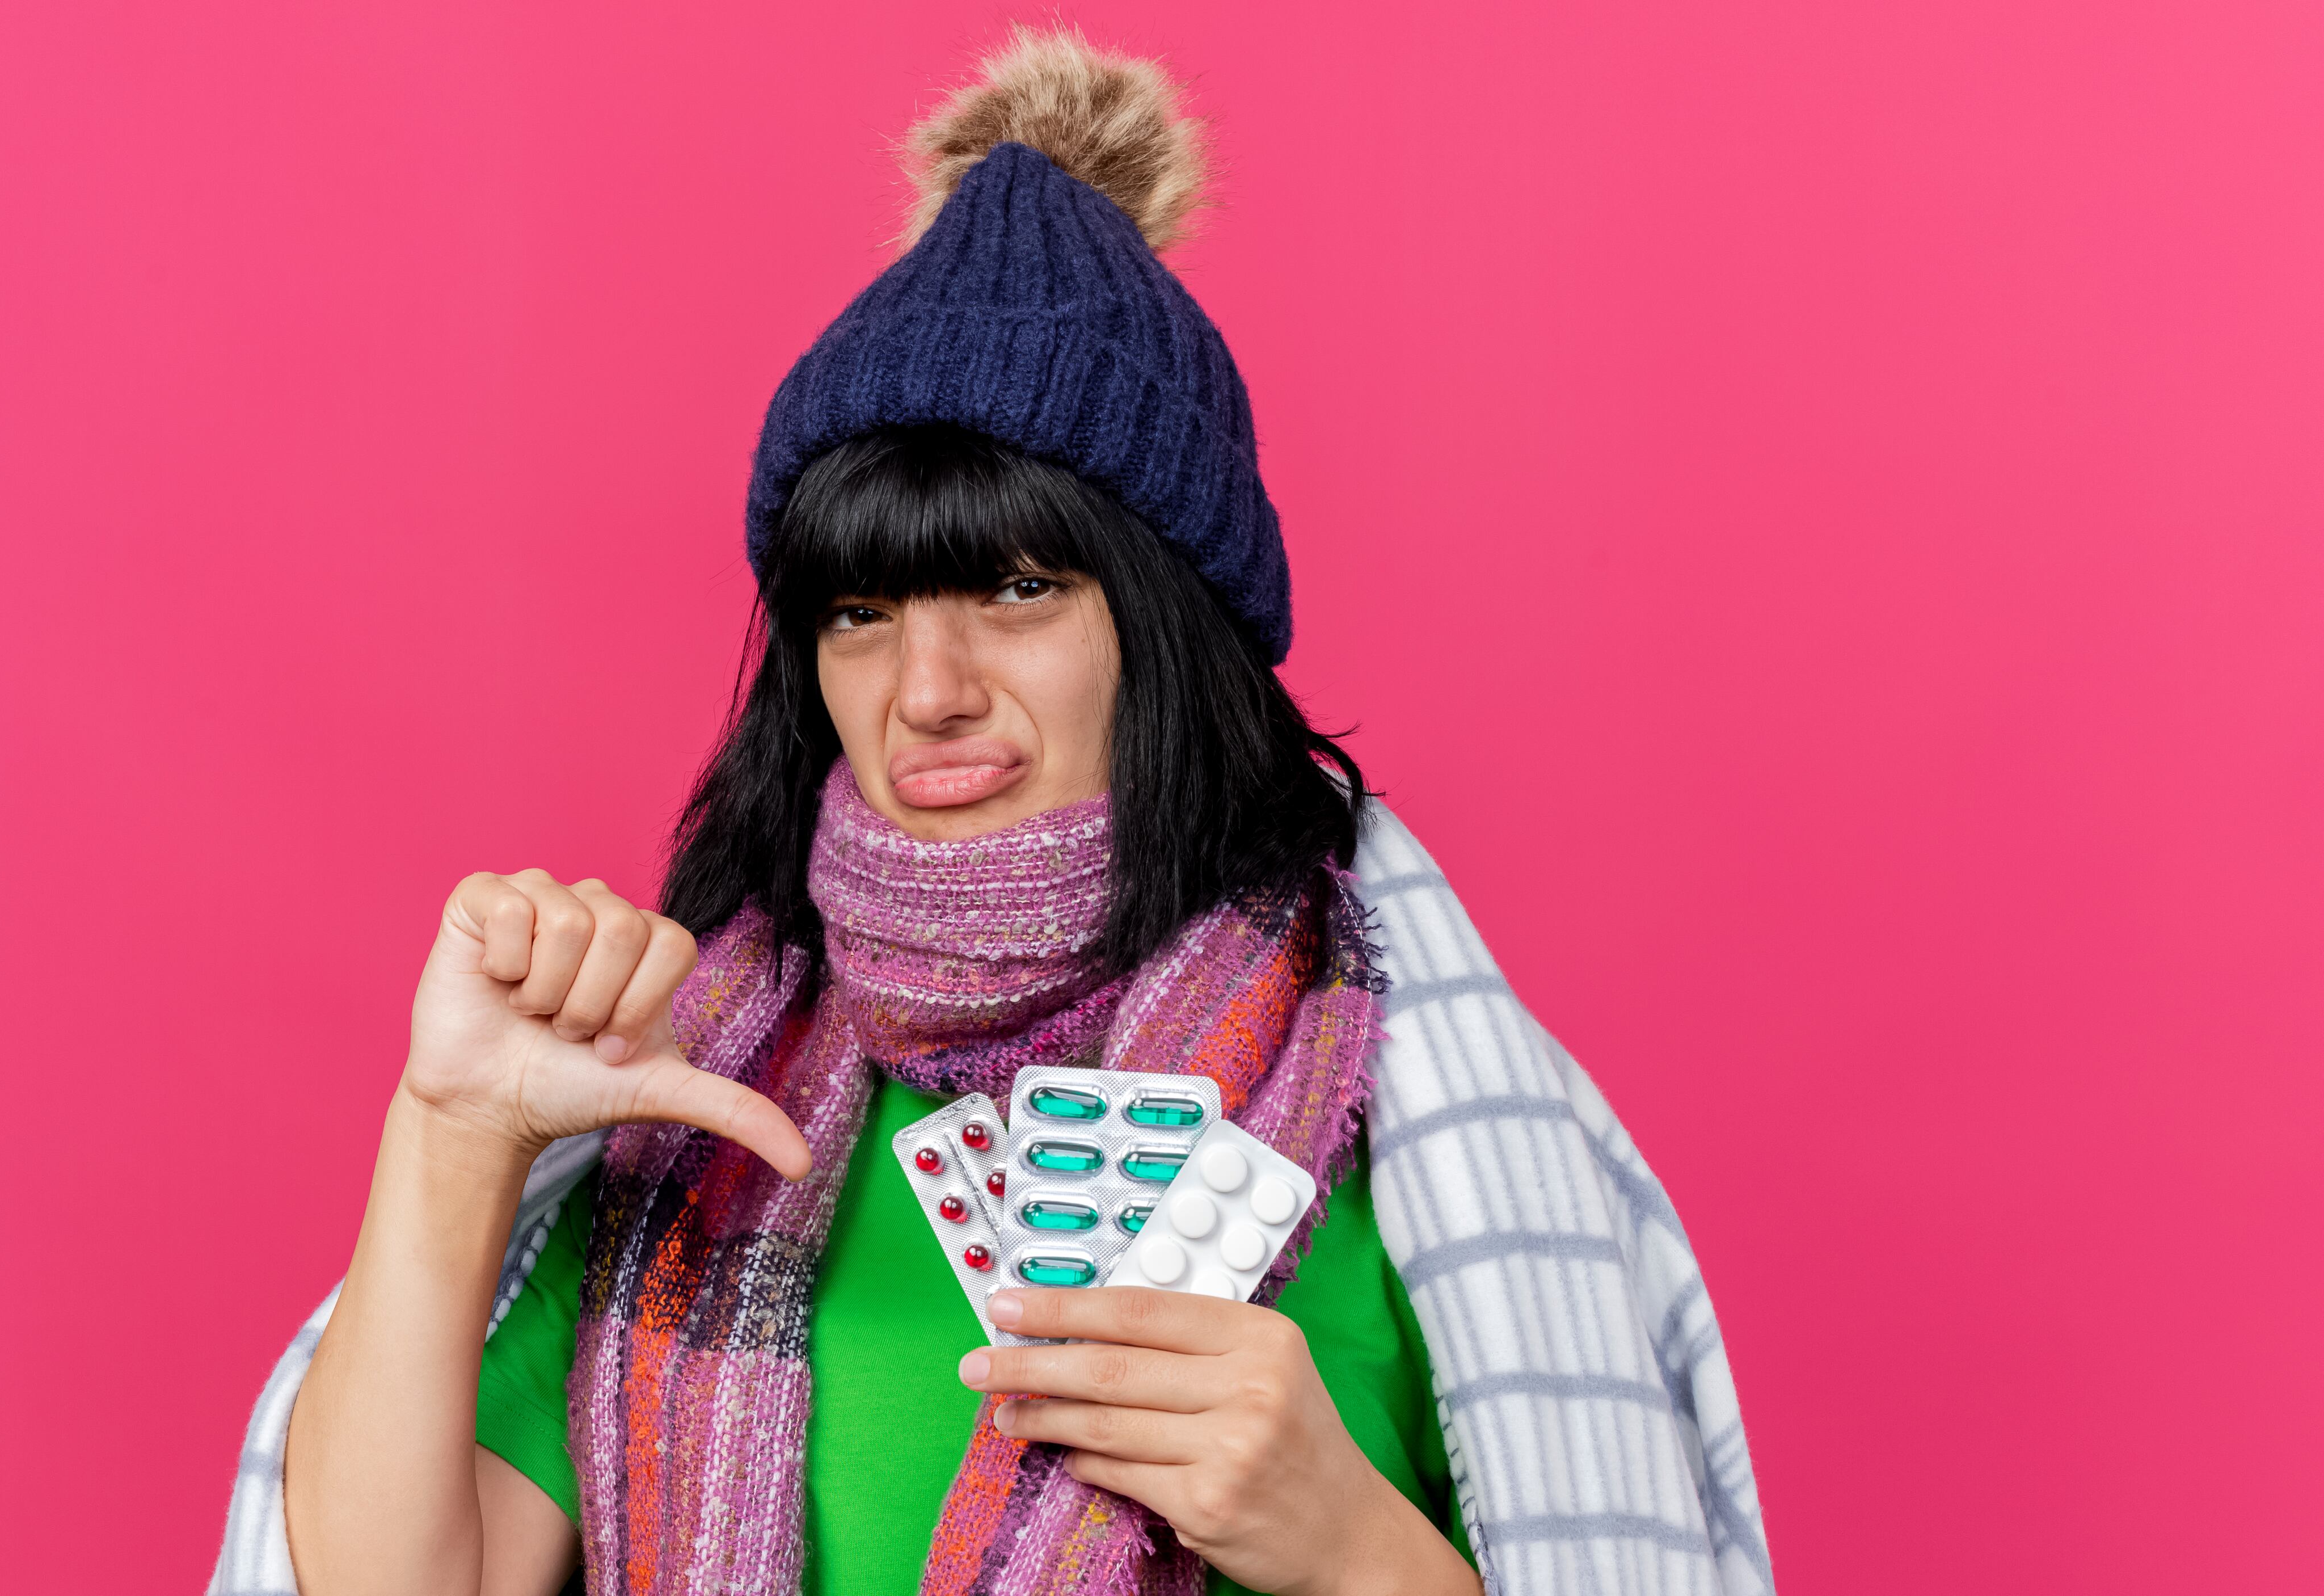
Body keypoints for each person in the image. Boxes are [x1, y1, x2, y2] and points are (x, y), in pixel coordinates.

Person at [212, 27, 1771, 1596]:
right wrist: (453, 1134)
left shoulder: (1412, 1101)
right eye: (860, 613)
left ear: (1169, 619)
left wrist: (1356, 1547)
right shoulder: (701, 1099)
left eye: (1020, 589)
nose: (929, 689)